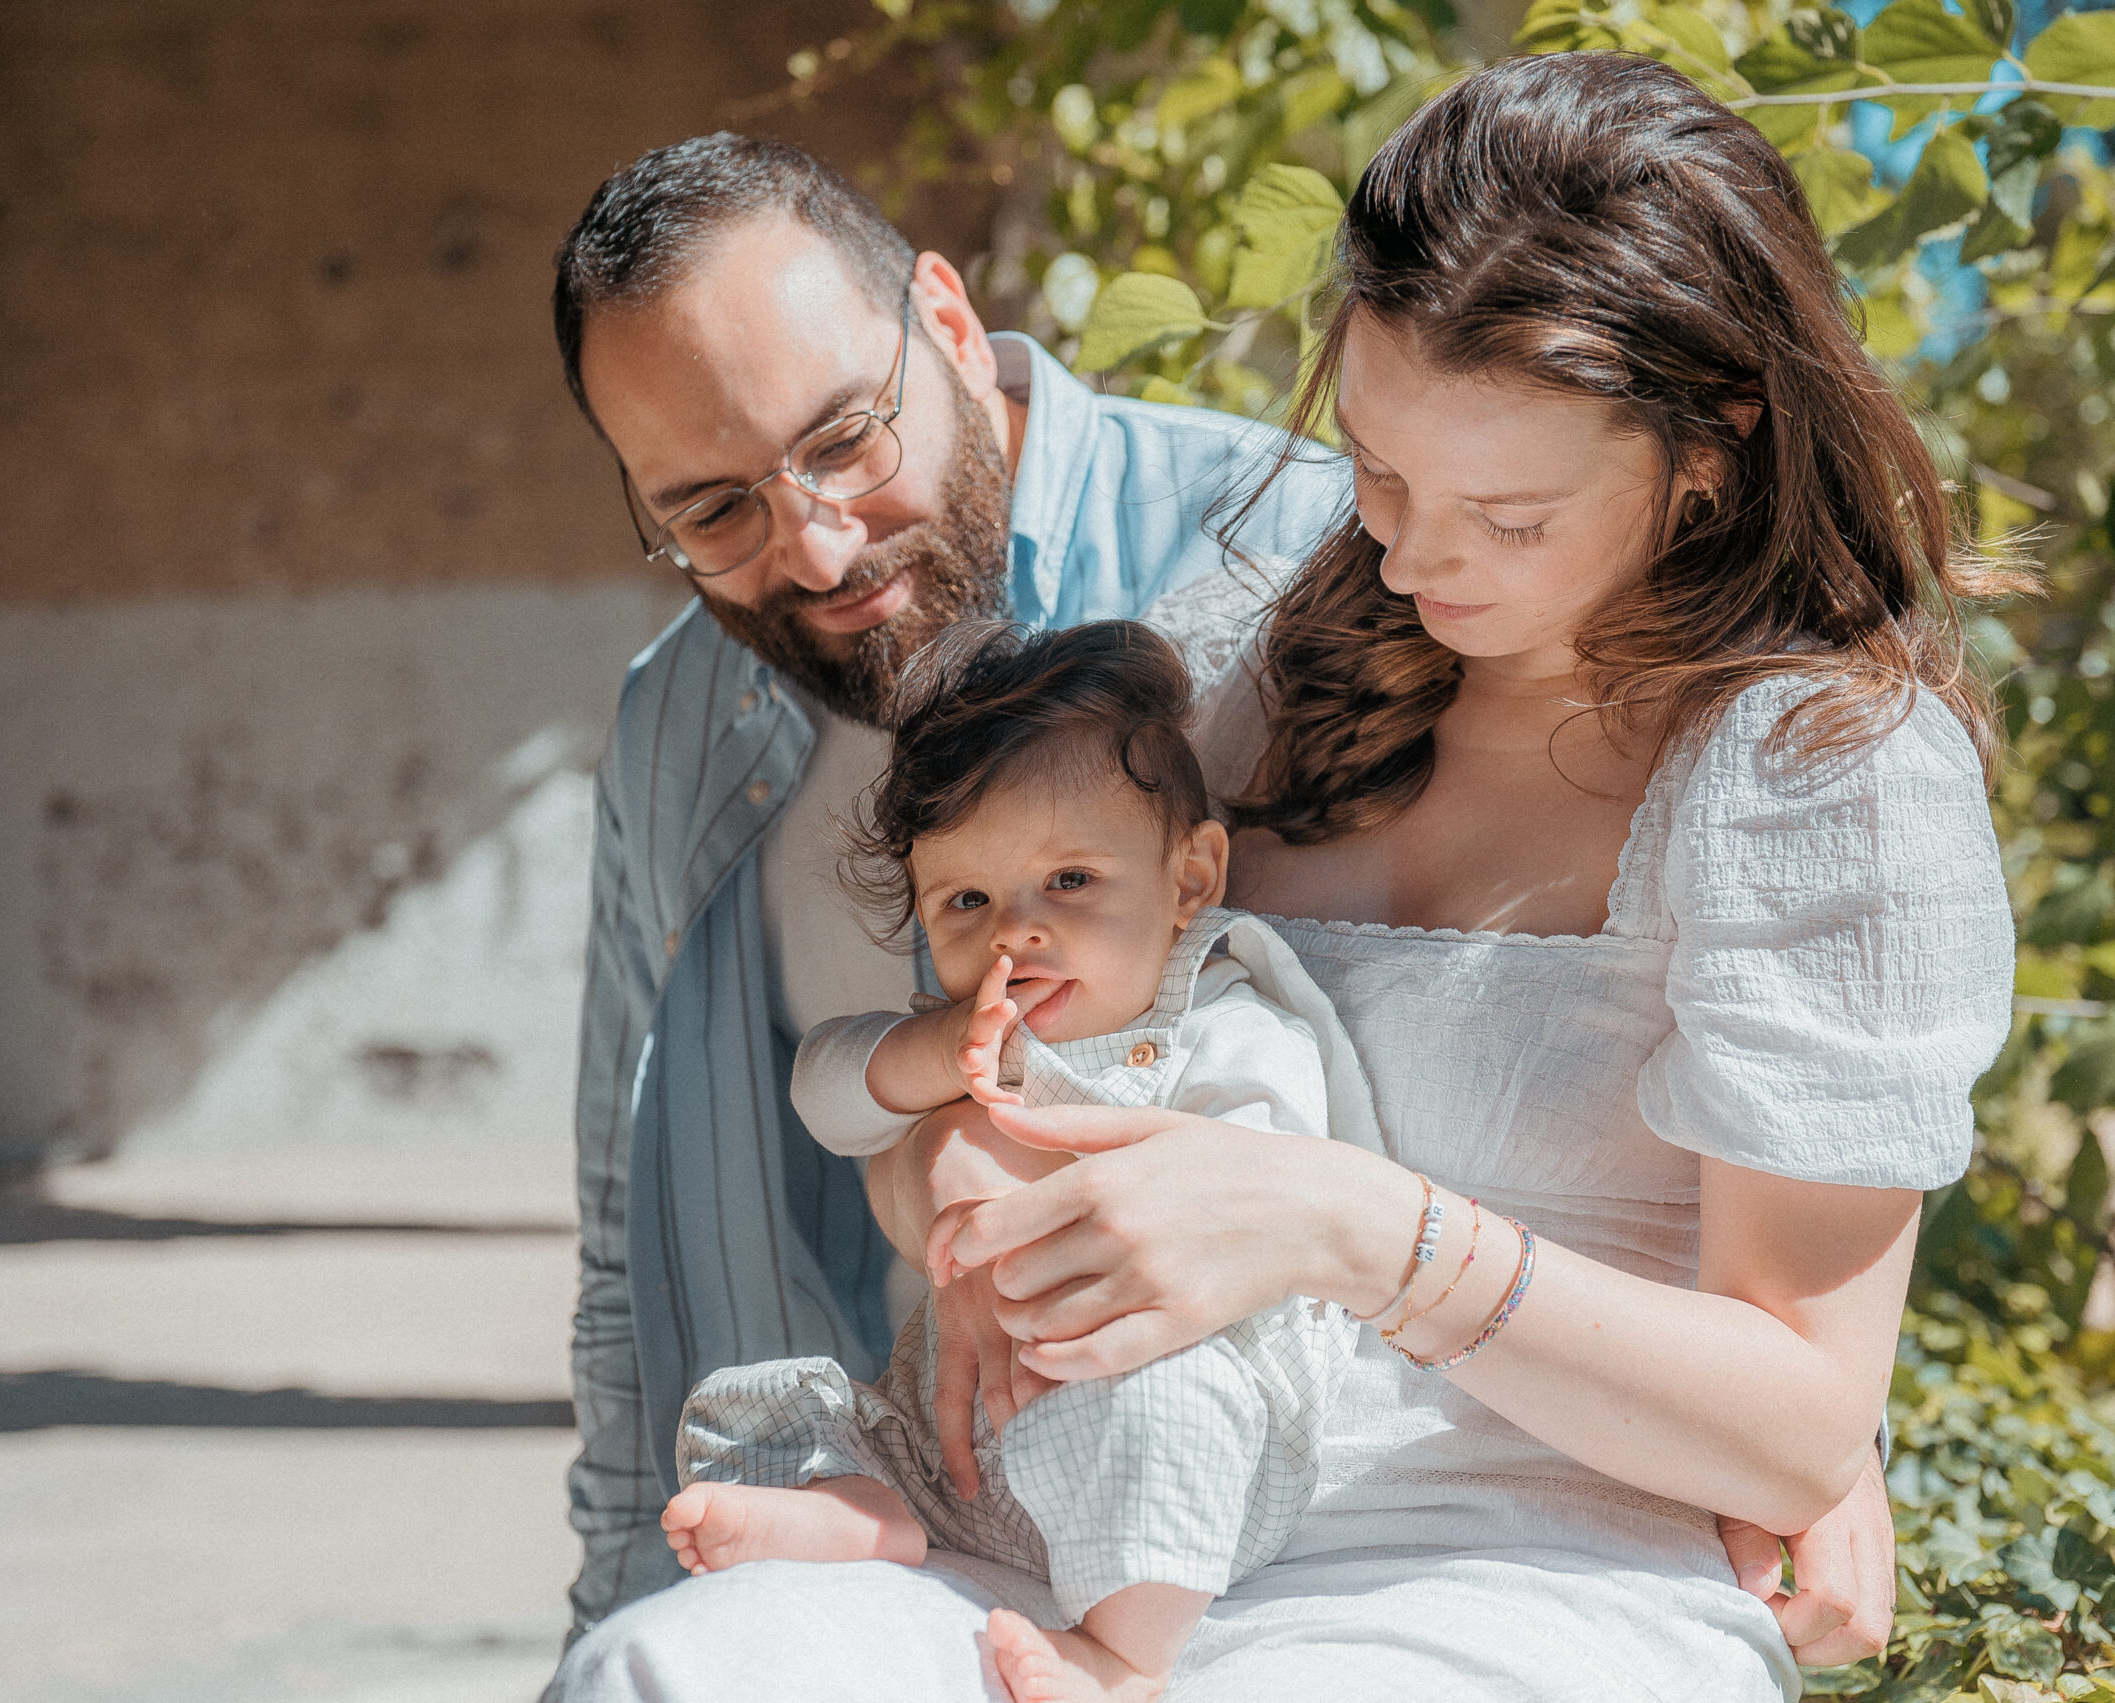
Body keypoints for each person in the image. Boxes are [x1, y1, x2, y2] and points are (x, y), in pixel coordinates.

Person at [548, 51, 2017, 1702]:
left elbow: (1801, 1417)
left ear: (1714, 443)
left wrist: (1347, 1226)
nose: (1412, 553)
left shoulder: (1818, 771)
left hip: (1500, 1579)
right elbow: (984, 1043)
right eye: (1379, 470)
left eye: (1508, 515)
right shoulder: (1252, 650)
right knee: (674, 1671)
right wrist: (960, 1175)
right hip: (1080, 1536)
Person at [551, 132, 1353, 1627]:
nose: (819, 543)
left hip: (1242, 1599)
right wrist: (610, 1609)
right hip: (823, 1577)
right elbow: (628, 1243)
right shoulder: (675, 722)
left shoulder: (1296, 559)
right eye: (712, 511)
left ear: (949, 317)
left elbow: (1527, 1031)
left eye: (846, 435)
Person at [660, 619, 1381, 1703]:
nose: (1017, 933)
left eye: (1072, 879)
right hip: (954, 1443)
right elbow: (826, 1090)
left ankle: (1129, 1653)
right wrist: (928, 1055)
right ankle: (872, 1510)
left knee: (1160, 1401)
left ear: (1189, 879)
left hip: (1165, 1404)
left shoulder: (1228, 1023)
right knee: (745, 1404)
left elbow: (1252, 1194)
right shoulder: (967, 1030)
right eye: (966, 901)